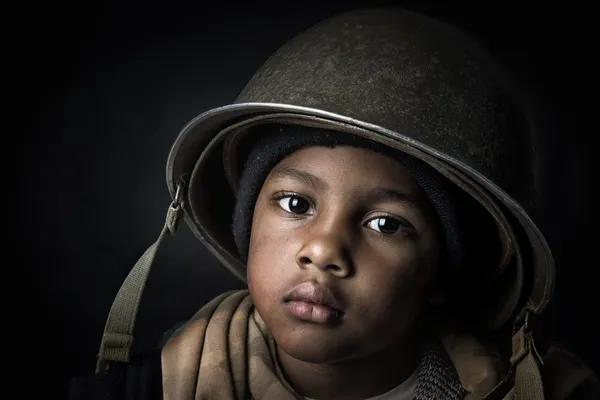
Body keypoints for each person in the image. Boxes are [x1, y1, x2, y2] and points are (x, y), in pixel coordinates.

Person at [70, 8, 600, 400]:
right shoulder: (145, 390)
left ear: (442, 271)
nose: (323, 250)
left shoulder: (530, 393)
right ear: (247, 223)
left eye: (386, 223)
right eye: (296, 203)